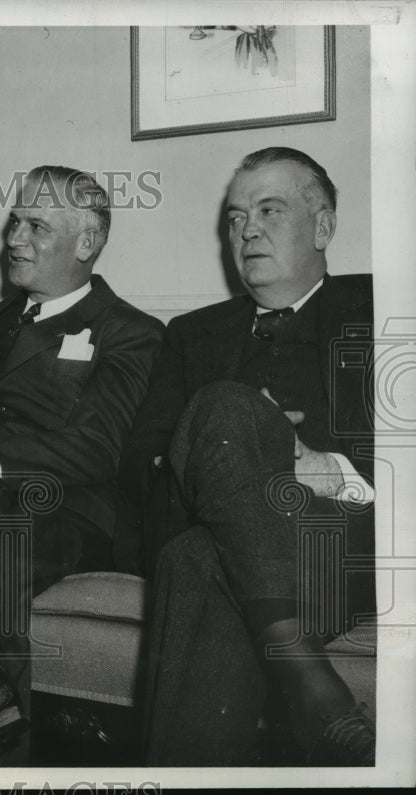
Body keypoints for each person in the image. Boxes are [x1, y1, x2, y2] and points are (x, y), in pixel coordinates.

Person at [0, 165, 165, 763]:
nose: (14, 237)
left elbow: (98, 446)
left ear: (87, 244)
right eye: (15, 221)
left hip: (63, 511)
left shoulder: (131, 331)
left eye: (36, 225)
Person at [120, 147, 376, 765]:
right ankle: (306, 676)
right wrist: (236, 441)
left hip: (337, 537)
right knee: (226, 410)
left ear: (323, 226)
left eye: (269, 210)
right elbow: (144, 466)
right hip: (222, 528)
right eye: (236, 218)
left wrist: (315, 465)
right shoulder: (190, 334)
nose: (248, 229)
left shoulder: (382, 307)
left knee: (198, 556)